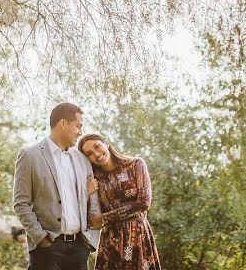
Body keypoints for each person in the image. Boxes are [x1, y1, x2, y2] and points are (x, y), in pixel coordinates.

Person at [13, 102, 102, 270]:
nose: (80, 132)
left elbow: (93, 202)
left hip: (79, 250)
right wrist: (42, 240)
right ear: (63, 124)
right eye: (78, 126)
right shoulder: (29, 155)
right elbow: (21, 203)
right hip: (46, 249)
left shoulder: (83, 159)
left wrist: (90, 241)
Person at [78, 133, 162, 270]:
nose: (96, 154)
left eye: (97, 146)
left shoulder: (135, 164)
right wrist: (85, 193)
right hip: (110, 241)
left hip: (137, 236)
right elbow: (87, 216)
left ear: (106, 143)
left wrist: (105, 218)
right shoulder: (93, 178)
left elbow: (143, 203)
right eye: (89, 153)